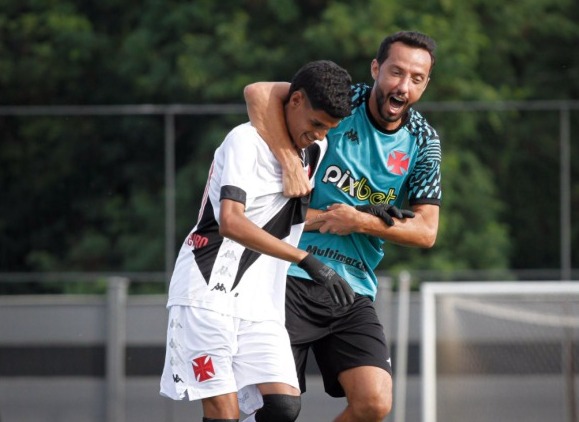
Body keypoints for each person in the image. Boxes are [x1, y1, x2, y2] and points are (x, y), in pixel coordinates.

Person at [243, 31, 442, 421]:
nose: (403, 86)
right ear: (375, 69)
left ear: (425, 84)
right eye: (396, 72)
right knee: (277, 410)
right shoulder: (343, 100)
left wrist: (361, 221)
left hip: (351, 288)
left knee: (375, 402)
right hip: (288, 275)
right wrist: (288, 161)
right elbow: (258, 92)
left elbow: (426, 231)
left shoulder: (423, 142)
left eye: (416, 78)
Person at [160, 60, 355, 422]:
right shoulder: (244, 141)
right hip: (206, 290)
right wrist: (305, 260)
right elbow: (232, 222)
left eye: (327, 129)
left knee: (282, 407)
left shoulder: (314, 150)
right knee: (224, 412)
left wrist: (366, 217)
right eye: (315, 124)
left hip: (258, 303)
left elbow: (284, 221)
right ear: (295, 101)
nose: (318, 135)